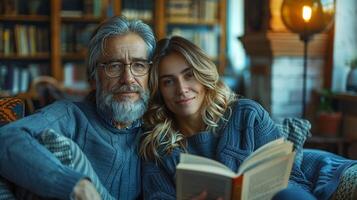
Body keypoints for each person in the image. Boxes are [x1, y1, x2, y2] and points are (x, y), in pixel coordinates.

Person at [139, 36, 328, 199]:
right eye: (168, 82)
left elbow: (296, 181)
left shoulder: (247, 115)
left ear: (204, 76)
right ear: (159, 91)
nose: (181, 89)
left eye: (189, 75)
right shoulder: (156, 145)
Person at [0, 16, 155, 200]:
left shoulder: (156, 131)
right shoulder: (70, 115)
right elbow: (6, 138)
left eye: (138, 65)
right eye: (114, 66)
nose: (128, 78)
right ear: (93, 77)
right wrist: (75, 185)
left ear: (150, 75)